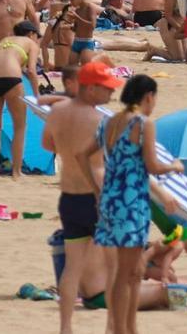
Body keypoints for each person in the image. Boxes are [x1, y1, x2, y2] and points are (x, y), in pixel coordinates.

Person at [74, 74, 184, 334]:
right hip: (131, 202)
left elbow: (82, 155)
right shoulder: (144, 123)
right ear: (148, 96)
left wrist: (95, 189)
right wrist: (175, 166)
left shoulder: (109, 121)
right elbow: (152, 166)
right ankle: (122, 329)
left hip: (111, 199)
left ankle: (124, 328)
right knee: (128, 273)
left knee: (130, 271)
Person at [43, 61, 120, 334]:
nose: (111, 94)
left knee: (72, 268)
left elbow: (47, 144)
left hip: (69, 196)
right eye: (106, 89)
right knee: (113, 266)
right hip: (96, 196)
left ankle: (66, 328)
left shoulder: (56, 112)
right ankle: (112, 327)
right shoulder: (100, 120)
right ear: (90, 88)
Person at [0, 20, 41, 177]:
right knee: (19, 127)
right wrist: (37, 96)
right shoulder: (31, 43)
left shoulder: (4, 40)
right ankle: (16, 171)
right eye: (36, 36)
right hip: (11, 80)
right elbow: (32, 71)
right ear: (31, 34)